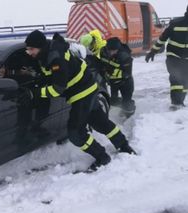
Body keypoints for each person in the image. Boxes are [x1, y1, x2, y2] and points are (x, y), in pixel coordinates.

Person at [24, 30, 136, 171]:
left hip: (82, 92)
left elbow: (57, 89)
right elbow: (48, 75)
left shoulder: (56, 58)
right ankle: (124, 146)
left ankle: (102, 157)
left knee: (76, 133)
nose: (30, 52)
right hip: (87, 87)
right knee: (99, 122)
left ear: (40, 46)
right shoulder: (47, 53)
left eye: (31, 49)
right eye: (28, 50)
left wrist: (33, 93)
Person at [145, 6, 188, 110]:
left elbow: (162, 39)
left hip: (182, 58)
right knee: (176, 79)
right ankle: (176, 103)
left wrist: (153, 51)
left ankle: (179, 102)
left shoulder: (175, 22)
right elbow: (162, 38)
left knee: (185, 81)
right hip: (174, 56)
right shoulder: (175, 23)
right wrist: (153, 51)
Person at [99, 37, 135, 116]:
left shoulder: (124, 56)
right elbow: (101, 63)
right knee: (113, 101)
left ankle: (130, 113)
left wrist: (109, 74)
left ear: (118, 49)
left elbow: (126, 73)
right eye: (110, 50)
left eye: (114, 51)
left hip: (125, 81)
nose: (111, 53)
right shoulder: (103, 51)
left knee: (127, 104)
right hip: (113, 82)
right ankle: (124, 105)